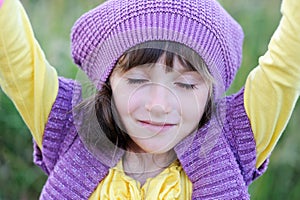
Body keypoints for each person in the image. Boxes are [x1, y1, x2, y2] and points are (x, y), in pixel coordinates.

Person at [0, 0, 299, 199]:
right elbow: (15, 54)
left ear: (211, 91)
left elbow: (287, 64)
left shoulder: (235, 137)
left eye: (185, 84)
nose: (159, 104)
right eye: (138, 80)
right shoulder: (69, 125)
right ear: (108, 81)